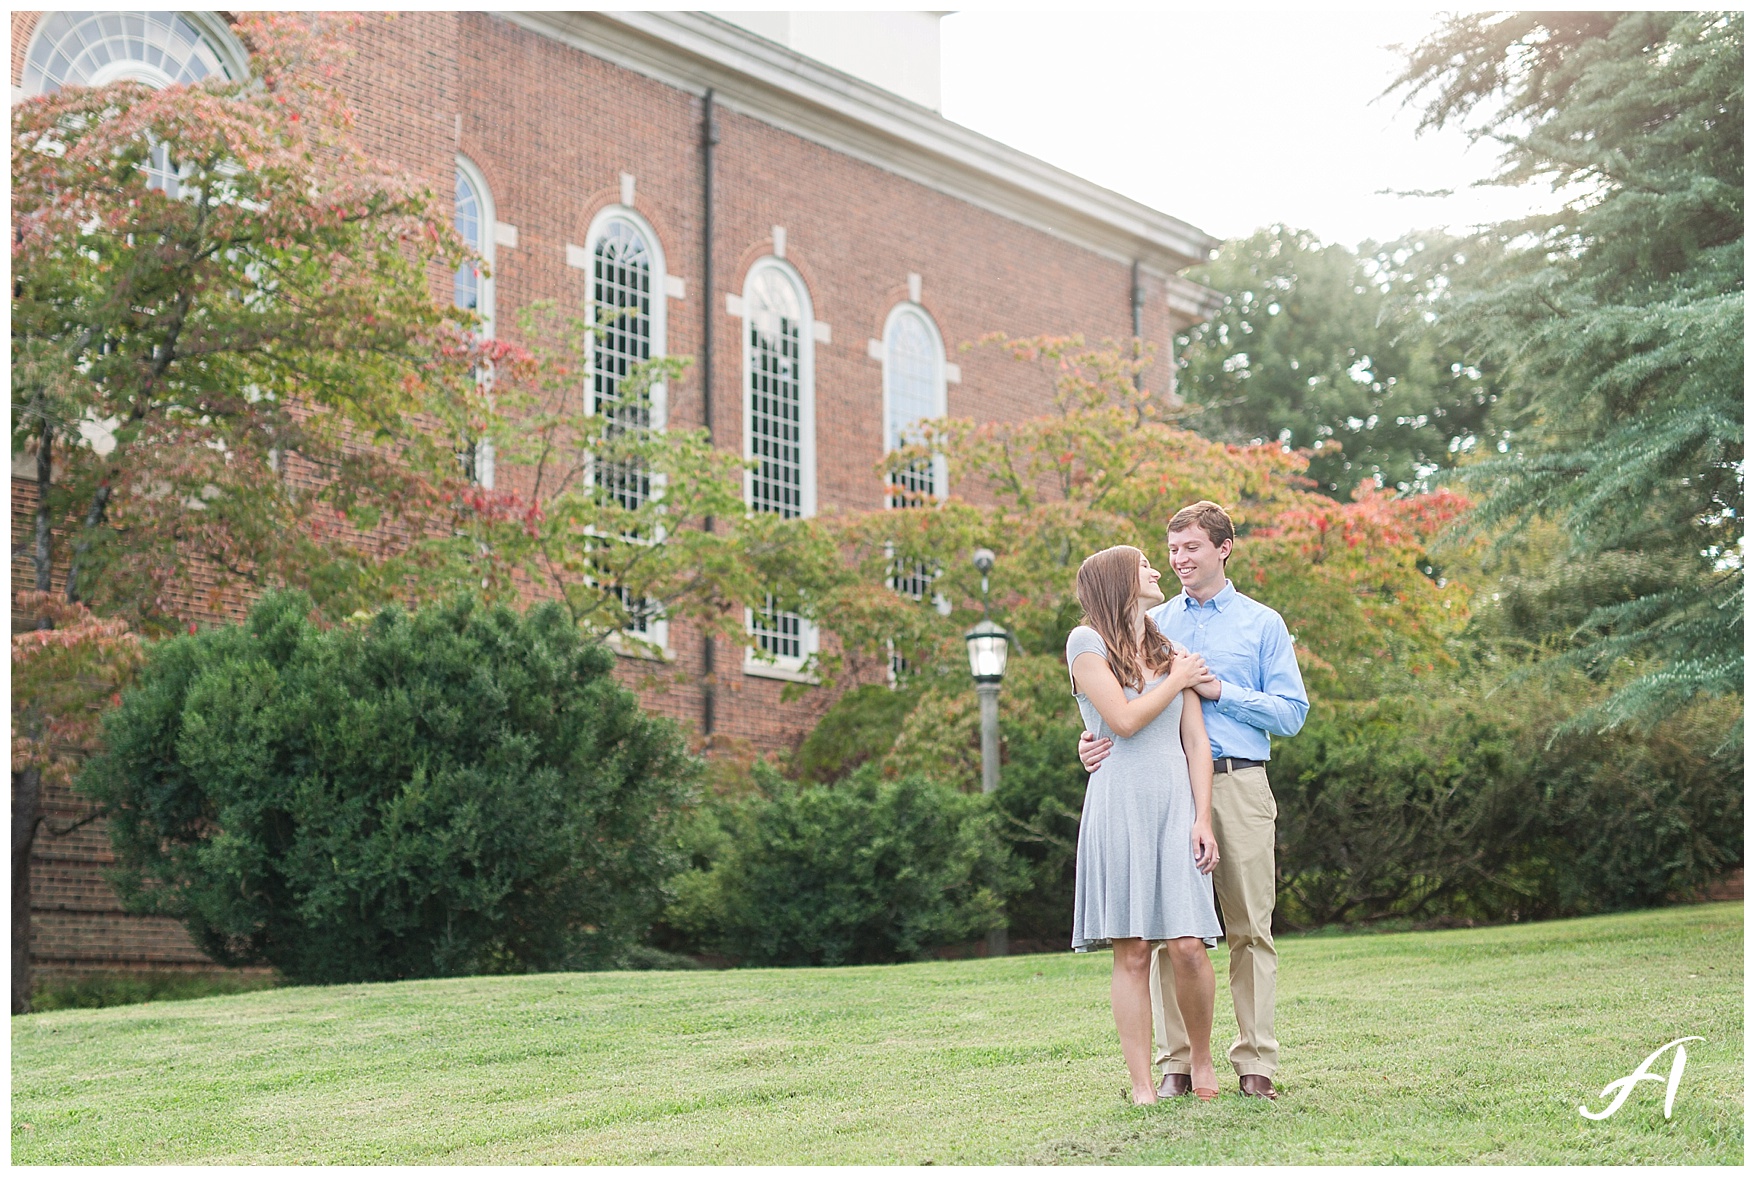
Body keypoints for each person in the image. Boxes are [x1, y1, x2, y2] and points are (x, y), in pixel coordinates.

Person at [1079, 501, 1308, 1102]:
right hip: (1160, 790)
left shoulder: (1262, 624)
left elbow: (1292, 713)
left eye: (1190, 549)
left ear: (1223, 548)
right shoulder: (1153, 626)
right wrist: (1091, 741)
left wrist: (1222, 690)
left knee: (1250, 928)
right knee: (1165, 930)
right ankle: (1175, 1063)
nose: (1178, 561)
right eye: (1170, 551)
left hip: (1238, 782)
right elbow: (1115, 699)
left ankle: (1255, 1062)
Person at [1065, 543, 1224, 1105]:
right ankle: (1140, 1086)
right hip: (1120, 805)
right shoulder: (1086, 643)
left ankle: (1201, 1062)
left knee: (1187, 945)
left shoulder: (1171, 651)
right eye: (1144, 567)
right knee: (1132, 949)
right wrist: (1177, 680)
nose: (1157, 571)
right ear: (1117, 582)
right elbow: (1125, 721)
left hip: (1174, 804)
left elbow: (1196, 743)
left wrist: (1202, 816)